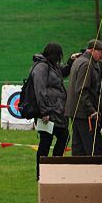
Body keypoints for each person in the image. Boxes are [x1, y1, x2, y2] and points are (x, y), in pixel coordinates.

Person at [29, 42, 69, 178]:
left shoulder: (51, 66)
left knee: (62, 137)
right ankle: (42, 172)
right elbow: (39, 90)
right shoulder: (41, 67)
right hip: (46, 113)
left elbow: (61, 73)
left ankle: (51, 169)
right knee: (47, 141)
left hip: (55, 111)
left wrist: (70, 62)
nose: (59, 59)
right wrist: (44, 112)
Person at [66, 38, 102, 157]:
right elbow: (82, 90)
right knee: (94, 149)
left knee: (79, 149)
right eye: (100, 51)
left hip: (76, 112)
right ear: (92, 50)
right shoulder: (87, 64)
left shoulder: (79, 61)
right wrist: (92, 111)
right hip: (84, 114)